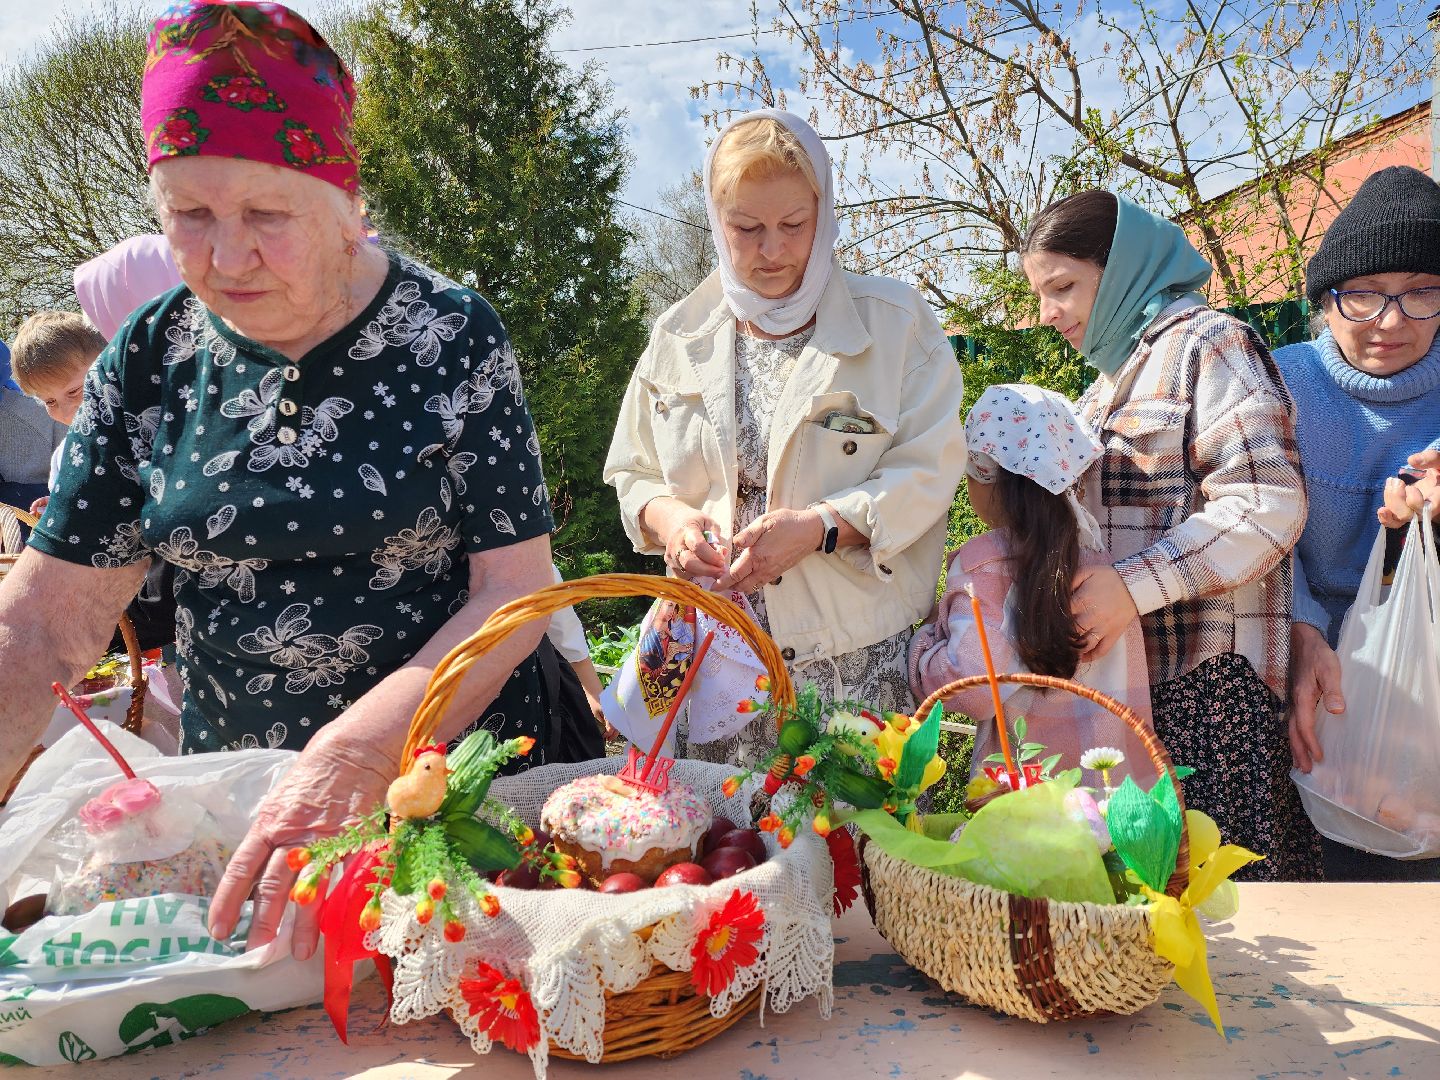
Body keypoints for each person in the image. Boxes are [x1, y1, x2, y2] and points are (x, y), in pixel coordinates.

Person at [0, 1, 557, 961]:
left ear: (345, 206)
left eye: (266, 214)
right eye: (190, 216)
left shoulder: (448, 333)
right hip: (242, 800)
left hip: (452, 795)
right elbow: (49, 617)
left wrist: (358, 755)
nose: (225, 256)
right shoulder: (147, 354)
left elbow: (516, 588)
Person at [604, 109, 966, 766]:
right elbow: (633, 472)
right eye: (747, 229)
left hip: (846, 661)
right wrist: (675, 521)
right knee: (713, 842)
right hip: (701, 650)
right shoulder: (678, 337)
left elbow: (930, 468)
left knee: (843, 847)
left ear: (823, 215)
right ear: (718, 223)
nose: (771, 250)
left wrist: (824, 526)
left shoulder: (898, 325)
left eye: (793, 226)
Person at [1021, 189, 1321, 880]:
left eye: (1063, 287)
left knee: (1235, 932)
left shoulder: (1209, 344)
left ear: (1123, 267)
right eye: (1041, 293)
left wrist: (1131, 587)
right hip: (1136, 698)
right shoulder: (1105, 384)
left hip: (1212, 697)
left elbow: (1266, 503)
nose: (1048, 314)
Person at [1274, 165, 1440, 881]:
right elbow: (1251, 526)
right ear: (1324, 301)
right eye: (1364, 295)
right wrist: (1304, 630)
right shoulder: (1276, 383)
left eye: (1423, 293)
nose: (1391, 320)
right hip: (1300, 664)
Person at [909, 384, 1152, 787]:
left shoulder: (986, 568)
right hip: (1121, 791)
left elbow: (973, 689)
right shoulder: (1096, 558)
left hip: (1032, 802)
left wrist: (924, 644)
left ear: (981, 472)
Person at [9, 312, 106, 516]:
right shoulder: (64, 455)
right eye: (50, 401)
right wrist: (57, 505)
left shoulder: (137, 433)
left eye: (74, 391)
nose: (65, 410)